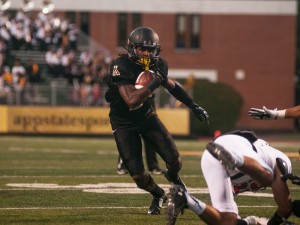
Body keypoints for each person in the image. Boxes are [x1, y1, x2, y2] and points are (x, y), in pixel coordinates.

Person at [105, 26, 209, 215]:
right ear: (132, 48)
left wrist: (193, 105)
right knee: (137, 175)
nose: (145, 53)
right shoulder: (121, 66)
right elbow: (131, 101)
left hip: (146, 117)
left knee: (174, 160)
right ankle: (158, 194)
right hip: (123, 124)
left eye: (149, 49)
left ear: (156, 50)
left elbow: (172, 86)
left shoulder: (159, 65)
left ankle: (172, 176)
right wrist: (154, 81)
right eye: (141, 49)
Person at [166, 130, 296, 225]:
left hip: (210, 156)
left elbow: (231, 220)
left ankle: (185, 198)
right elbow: (285, 207)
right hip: (232, 146)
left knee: (227, 221)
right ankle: (234, 158)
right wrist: (273, 223)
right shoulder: (276, 157)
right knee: (268, 177)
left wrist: (250, 221)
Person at [117, 94, 164, 175]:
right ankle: (123, 165)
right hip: (135, 97)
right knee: (129, 132)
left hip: (148, 98)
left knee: (151, 133)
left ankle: (153, 166)